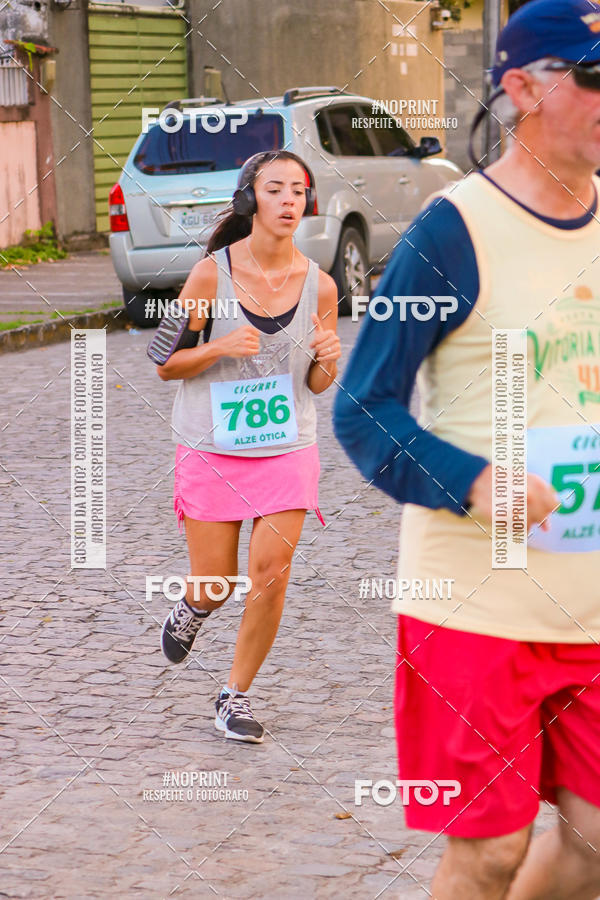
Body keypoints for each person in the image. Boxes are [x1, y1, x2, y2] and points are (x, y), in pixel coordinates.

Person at [333, 0, 600, 896]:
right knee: (488, 852)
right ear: (521, 89)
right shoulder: (453, 230)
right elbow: (363, 409)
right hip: (476, 611)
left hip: (592, 608)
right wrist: (472, 479)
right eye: (594, 77)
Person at [157, 150, 340, 743]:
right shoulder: (211, 274)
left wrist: (327, 366)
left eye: (298, 191)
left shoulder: (322, 285)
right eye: (275, 189)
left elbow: (313, 385)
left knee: (272, 573)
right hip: (213, 444)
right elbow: (166, 363)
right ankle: (194, 606)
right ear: (249, 201)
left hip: (287, 445)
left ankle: (235, 696)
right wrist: (216, 347)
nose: (288, 200)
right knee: (216, 580)